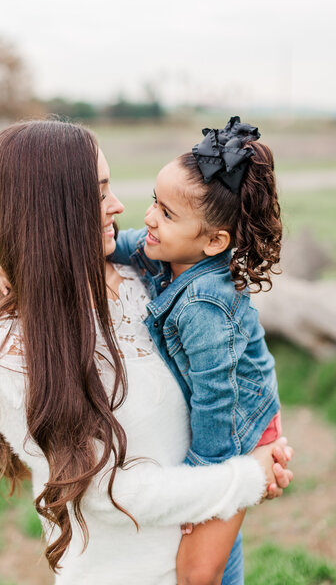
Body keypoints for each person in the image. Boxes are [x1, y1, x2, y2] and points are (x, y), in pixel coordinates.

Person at [0, 120, 292, 585]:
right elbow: (102, 491)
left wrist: (247, 464)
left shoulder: (153, 280)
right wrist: (246, 479)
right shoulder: (14, 350)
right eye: (100, 194)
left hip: (212, 539)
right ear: (49, 213)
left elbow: (227, 378)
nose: (120, 207)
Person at [111, 116, 284, 584]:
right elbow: (123, 245)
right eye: (154, 201)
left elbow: (216, 397)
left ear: (214, 241)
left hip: (237, 422)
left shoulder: (207, 303)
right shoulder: (172, 249)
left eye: (167, 214)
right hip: (229, 413)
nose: (149, 218)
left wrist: (202, 484)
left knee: (201, 569)